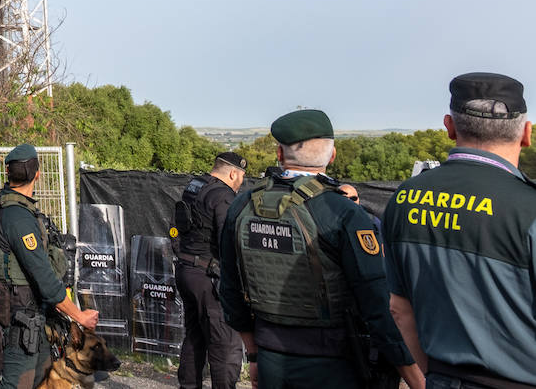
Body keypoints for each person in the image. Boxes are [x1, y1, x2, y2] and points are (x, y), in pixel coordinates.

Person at [217, 110, 422, 389]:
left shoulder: (241, 206)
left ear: (279, 153)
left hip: (270, 358)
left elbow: (229, 289)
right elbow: (377, 305)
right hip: (335, 363)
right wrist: (412, 375)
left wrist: (254, 354)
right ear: (333, 155)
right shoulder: (344, 213)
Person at [383, 72, 536, 388]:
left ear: (450, 127)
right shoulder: (528, 207)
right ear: (526, 133)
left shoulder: (405, 197)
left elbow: (399, 310)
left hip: (442, 377)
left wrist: (429, 379)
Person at [0, 144, 99, 389]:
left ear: (8, 174)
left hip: (27, 315)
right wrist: (79, 316)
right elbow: (44, 278)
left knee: (44, 381)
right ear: (38, 174)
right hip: (21, 318)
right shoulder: (17, 216)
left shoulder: (7, 206)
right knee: (18, 382)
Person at [171, 151, 247, 389]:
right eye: (242, 177)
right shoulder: (224, 195)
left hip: (186, 270)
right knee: (224, 344)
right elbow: (229, 239)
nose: (241, 182)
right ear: (233, 173)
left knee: (195, 337)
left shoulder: (194, 187)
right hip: (208, 277)